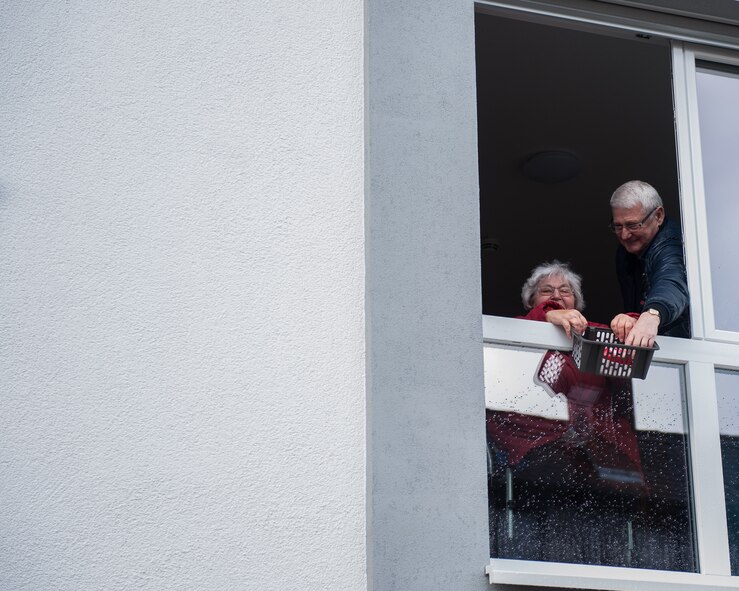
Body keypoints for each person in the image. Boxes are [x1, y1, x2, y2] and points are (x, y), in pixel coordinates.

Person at [608, 180, 690, 347]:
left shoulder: (672, 243)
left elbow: (671, 280)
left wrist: (652, 314)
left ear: (658, 216)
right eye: (617, 226)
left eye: (632, 225)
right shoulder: (625, 253)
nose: (624, 235)